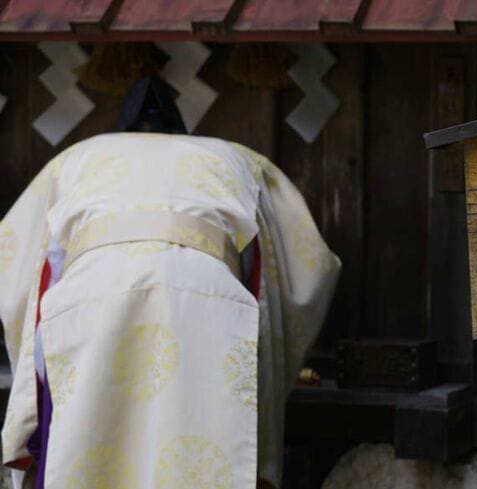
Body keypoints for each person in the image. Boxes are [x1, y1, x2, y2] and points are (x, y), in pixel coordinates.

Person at [0, 77, 340, 488]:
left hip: (91, 293)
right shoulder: (236, 158)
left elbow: (21, 265)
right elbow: (308, 265)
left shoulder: (75, 159)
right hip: (206, 297)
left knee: (82, 439)